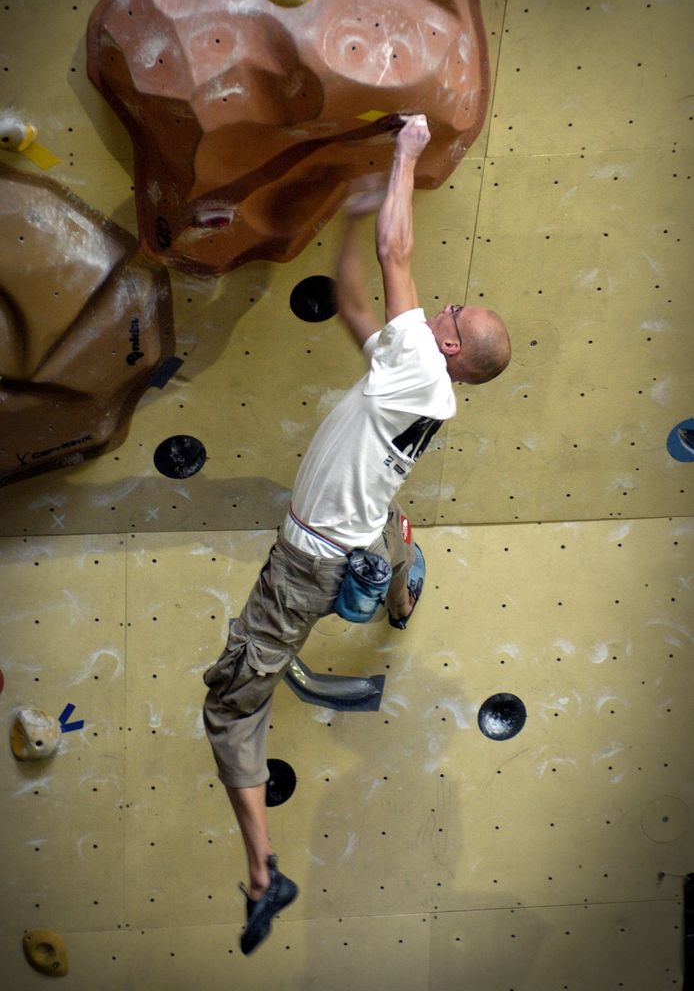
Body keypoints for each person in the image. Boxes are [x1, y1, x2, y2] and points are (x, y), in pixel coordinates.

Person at [202, 114, 511, 956]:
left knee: (229, 708)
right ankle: (400, 586)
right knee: (374, 550)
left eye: (451, 312)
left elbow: (394, 259)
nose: (440, 305)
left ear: (449, 345)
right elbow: (353, 294)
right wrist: (351, 197)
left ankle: (267, 876)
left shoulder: (421, 370)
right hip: (335, 543)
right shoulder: (406, 375)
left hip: (307, 564)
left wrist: (404, 156)